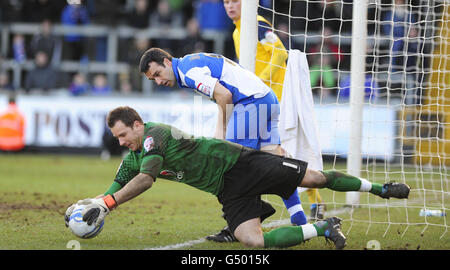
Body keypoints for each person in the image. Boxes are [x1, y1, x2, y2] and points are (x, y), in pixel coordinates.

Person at [64, 106, 411, 249]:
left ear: (138, 125)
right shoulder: (133, 156)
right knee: (252, 242)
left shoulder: (155, 134)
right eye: (118, 140)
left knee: (317, 179)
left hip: (240, 163)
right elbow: (115, 188)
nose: (122, 143)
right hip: (226, 188)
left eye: (124, 135)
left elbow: (145, 180)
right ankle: (323, 227)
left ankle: (380, 188)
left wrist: (107, 204)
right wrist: (92, 204)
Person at [138, 47, 308, 241]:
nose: (159, 81)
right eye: (153, 80)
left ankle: (240, 225)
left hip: (250, 102)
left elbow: (225, 95)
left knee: (237, 168)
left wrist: (222, 129)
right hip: (266, 98)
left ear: (167, 61)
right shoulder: (189, 63)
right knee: (275, 160)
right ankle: (299, 218)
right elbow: (222, 95)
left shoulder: (187, 71)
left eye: (158, 74)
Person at [224, 0, 325, 225]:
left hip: (275, 99)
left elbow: (280, 52)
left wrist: (259, 82)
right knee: (278, 154)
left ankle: (308, 205)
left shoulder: (258, 25)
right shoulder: (236, 31)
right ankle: (305, 208)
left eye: (235, 1)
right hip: (256, 101)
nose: (230, 6)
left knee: (281, 154)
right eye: (226, 2)